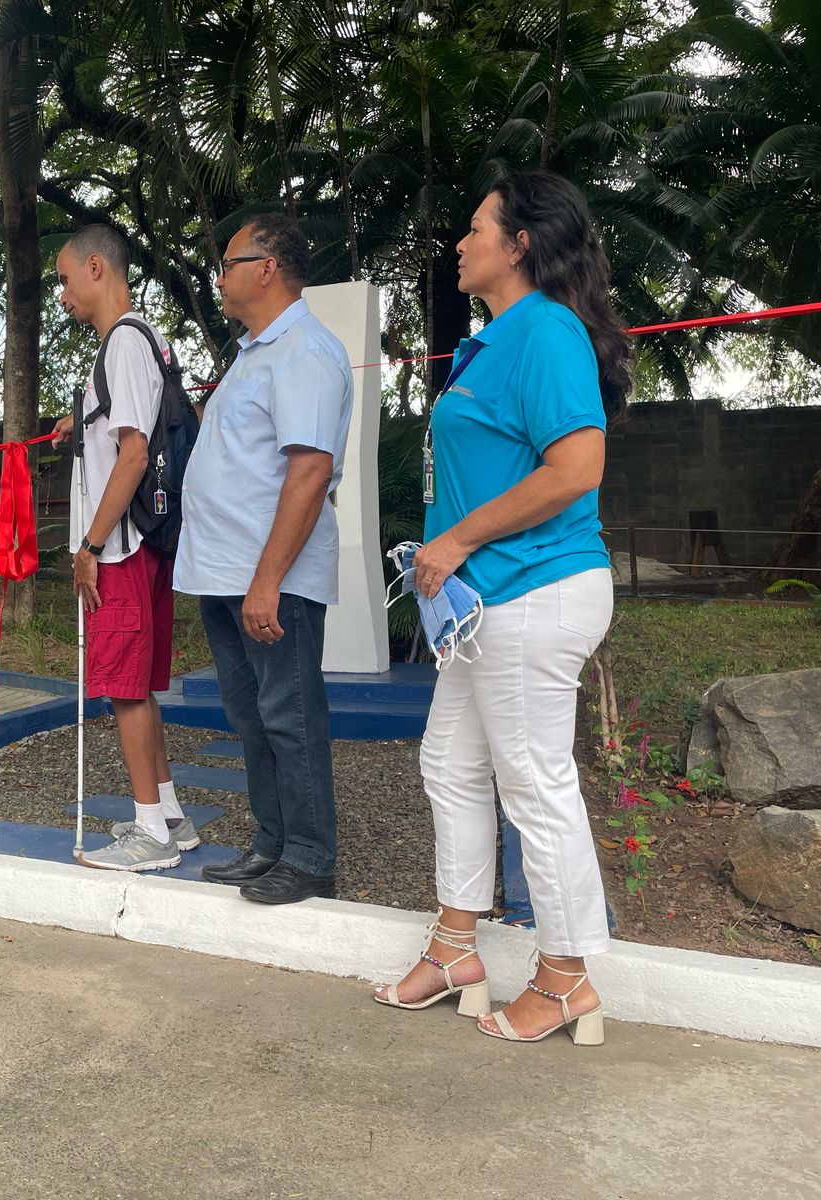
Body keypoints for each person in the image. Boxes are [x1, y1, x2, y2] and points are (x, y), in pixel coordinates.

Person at [371, 170, 629, 1047]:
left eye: (475, 227)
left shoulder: (547, 333)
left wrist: (454, 542)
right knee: (449, 763)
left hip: (538, 588)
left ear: (519, 244)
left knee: (534, 784)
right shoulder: (496, 340)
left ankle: (564, 979)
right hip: (489, 604)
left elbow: (576, 471)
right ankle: (455, 948)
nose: (460, 242)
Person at [177, 214, 354, 904]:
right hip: (226, 572)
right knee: (252, 716)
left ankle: (311, 856)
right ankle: (273, 842)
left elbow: (309, 471)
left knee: (290, 713)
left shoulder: (305, 350)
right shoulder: (256, 353)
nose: (218, 277)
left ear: (268, 267)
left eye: (228, 262)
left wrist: (269, 582)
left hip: (268, 577)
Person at [48, 225, 191, 872]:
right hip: (145, 539)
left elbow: (134, 452)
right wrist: (79, 423)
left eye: (64, 279)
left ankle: (148, 835)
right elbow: (124, 429)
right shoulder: (145, 341)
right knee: (140, 686)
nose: (61, 294)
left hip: (121, 546)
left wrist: (89, 544)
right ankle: (168, 816)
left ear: (96, 268)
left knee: (126, 687)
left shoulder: (123, 344)